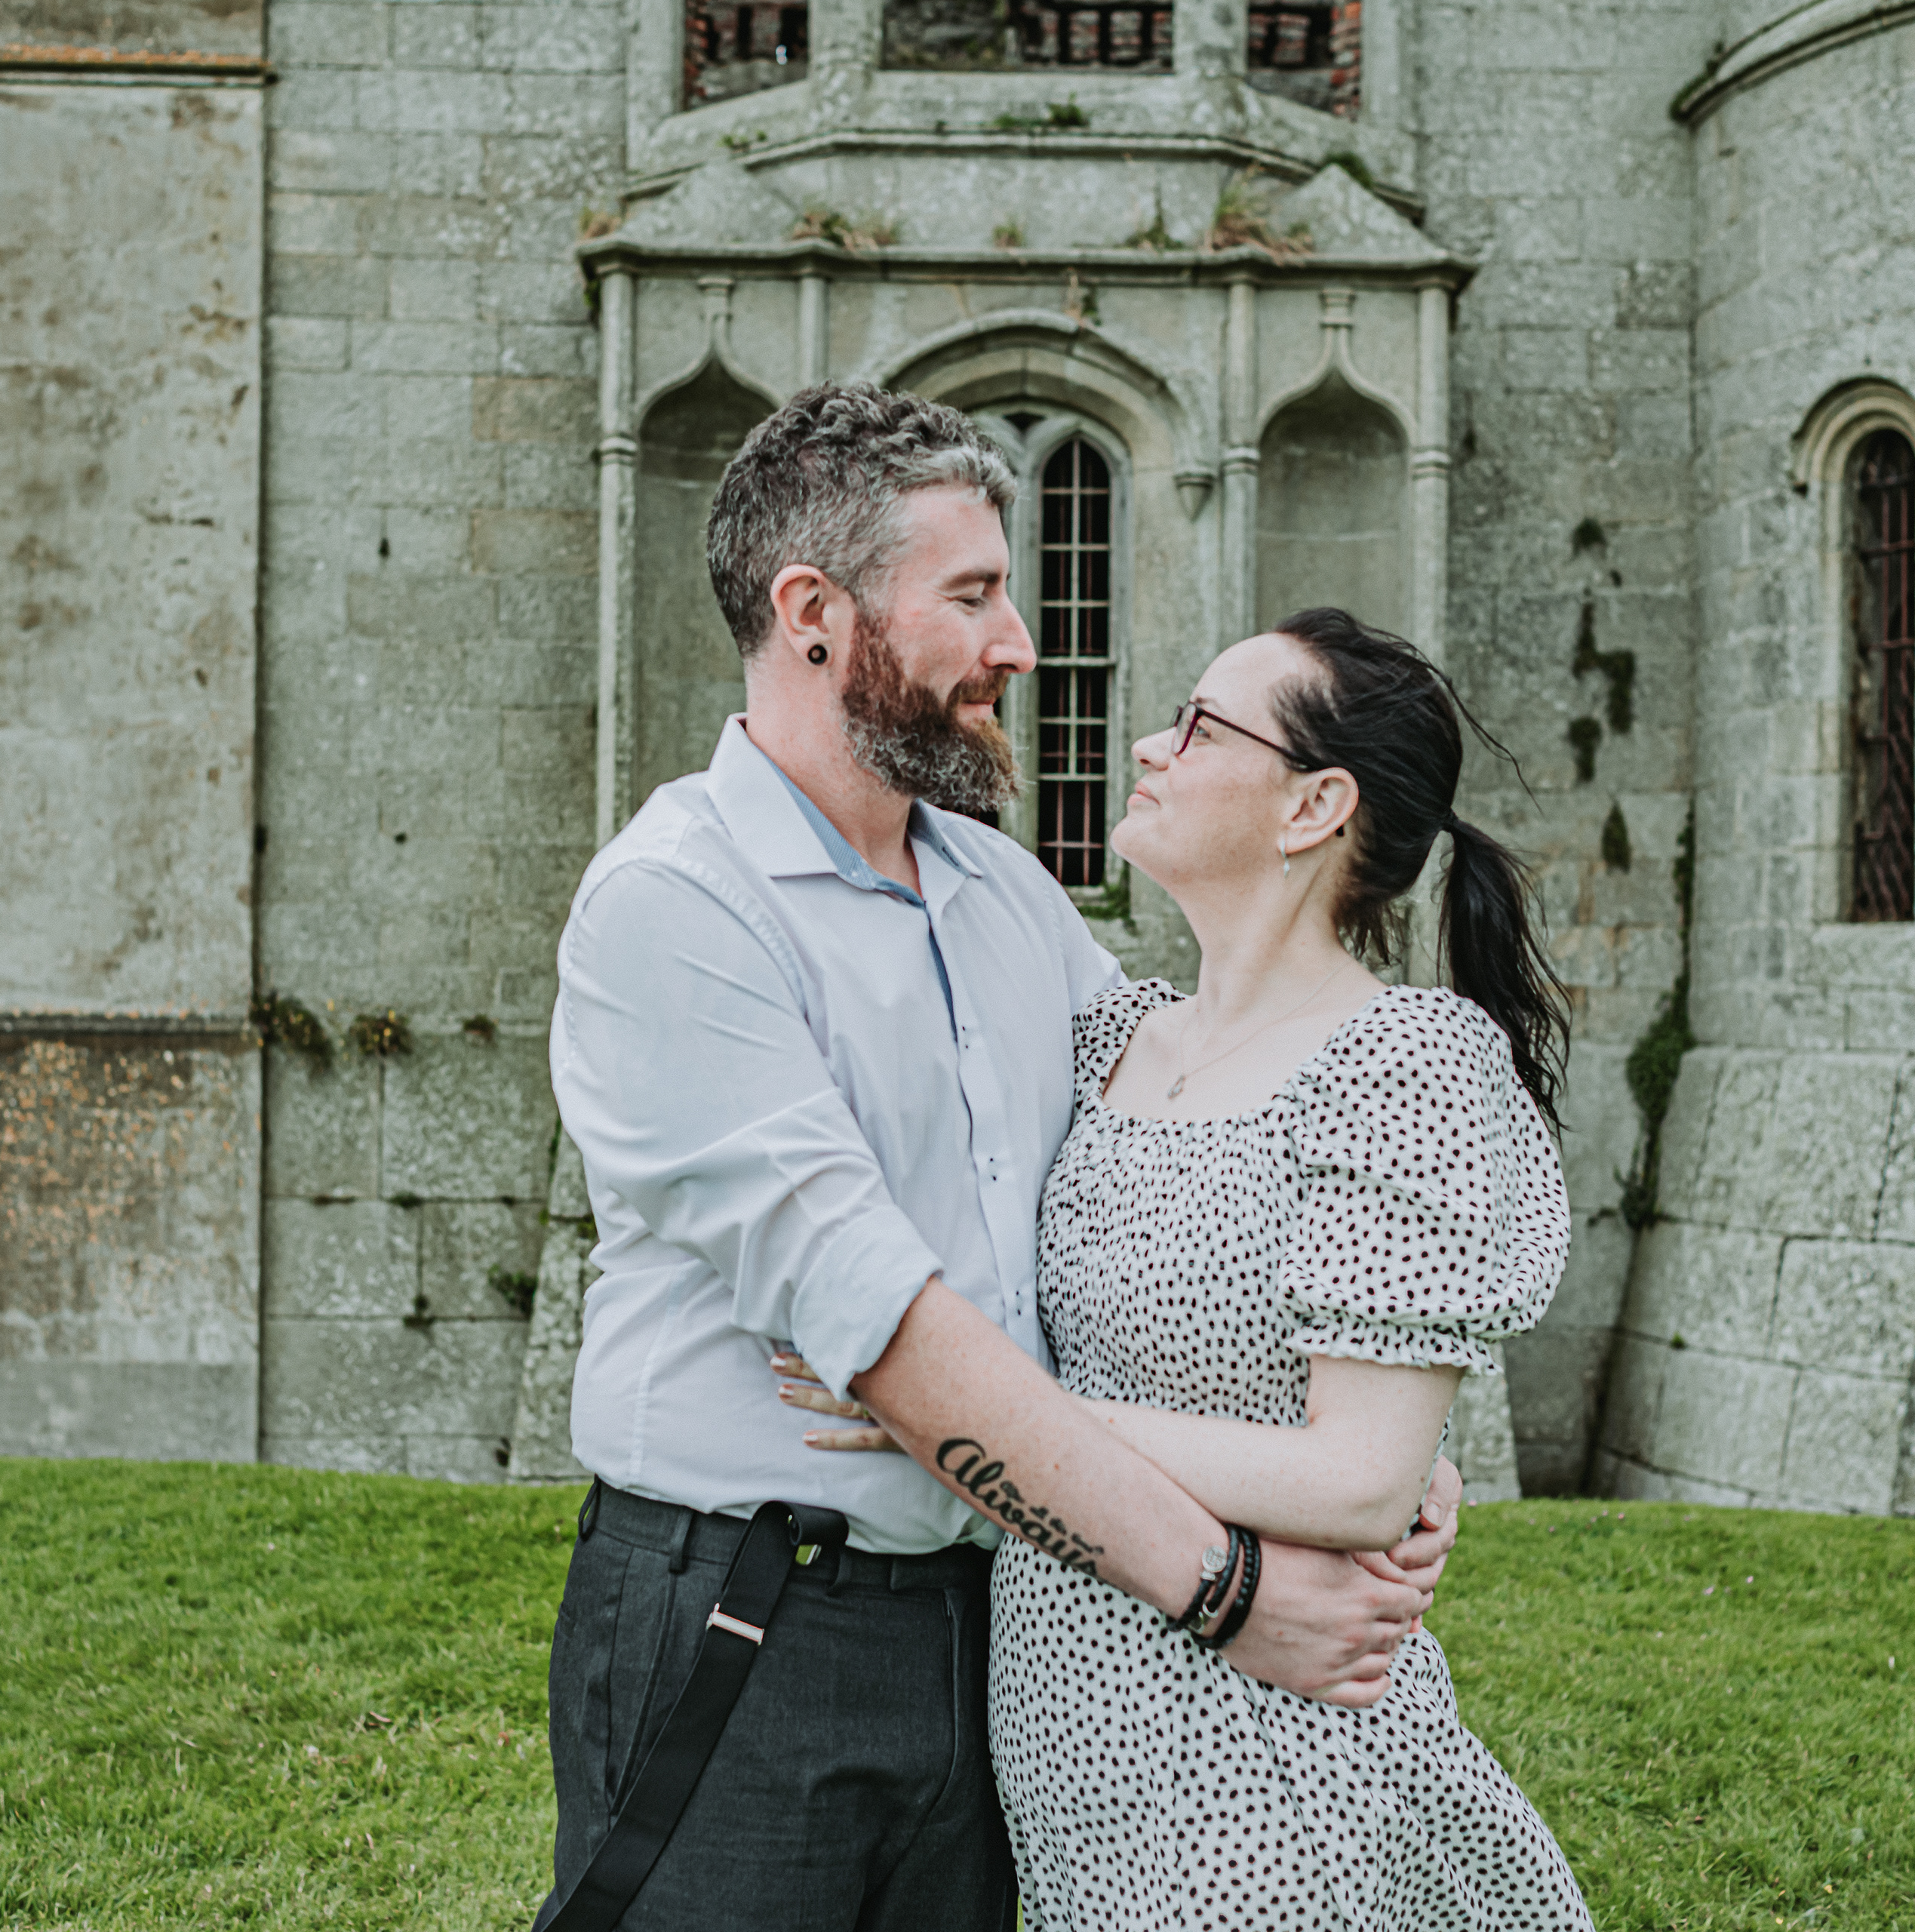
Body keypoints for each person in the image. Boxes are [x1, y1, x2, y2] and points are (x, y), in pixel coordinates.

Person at [540, 386, 1460, 1932]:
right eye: (971, 596)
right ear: (815, 616)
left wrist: (1370, 1443)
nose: (1019, 644)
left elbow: (1185, 1166)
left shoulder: (1004, 892)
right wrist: (1228, 1588)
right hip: (746, 1621)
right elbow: (893, 1337)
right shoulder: (677, 905)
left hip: (1000, 1628)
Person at [788, 608, 1593, 1928]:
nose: (1152, 747)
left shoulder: (1403, 1064)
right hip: (1061, 1733)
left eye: (1204, 727)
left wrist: (977, 1413)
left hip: (1274, 1747)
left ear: (1313, 806)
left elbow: (1362, 1477)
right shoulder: (1110, 1034)